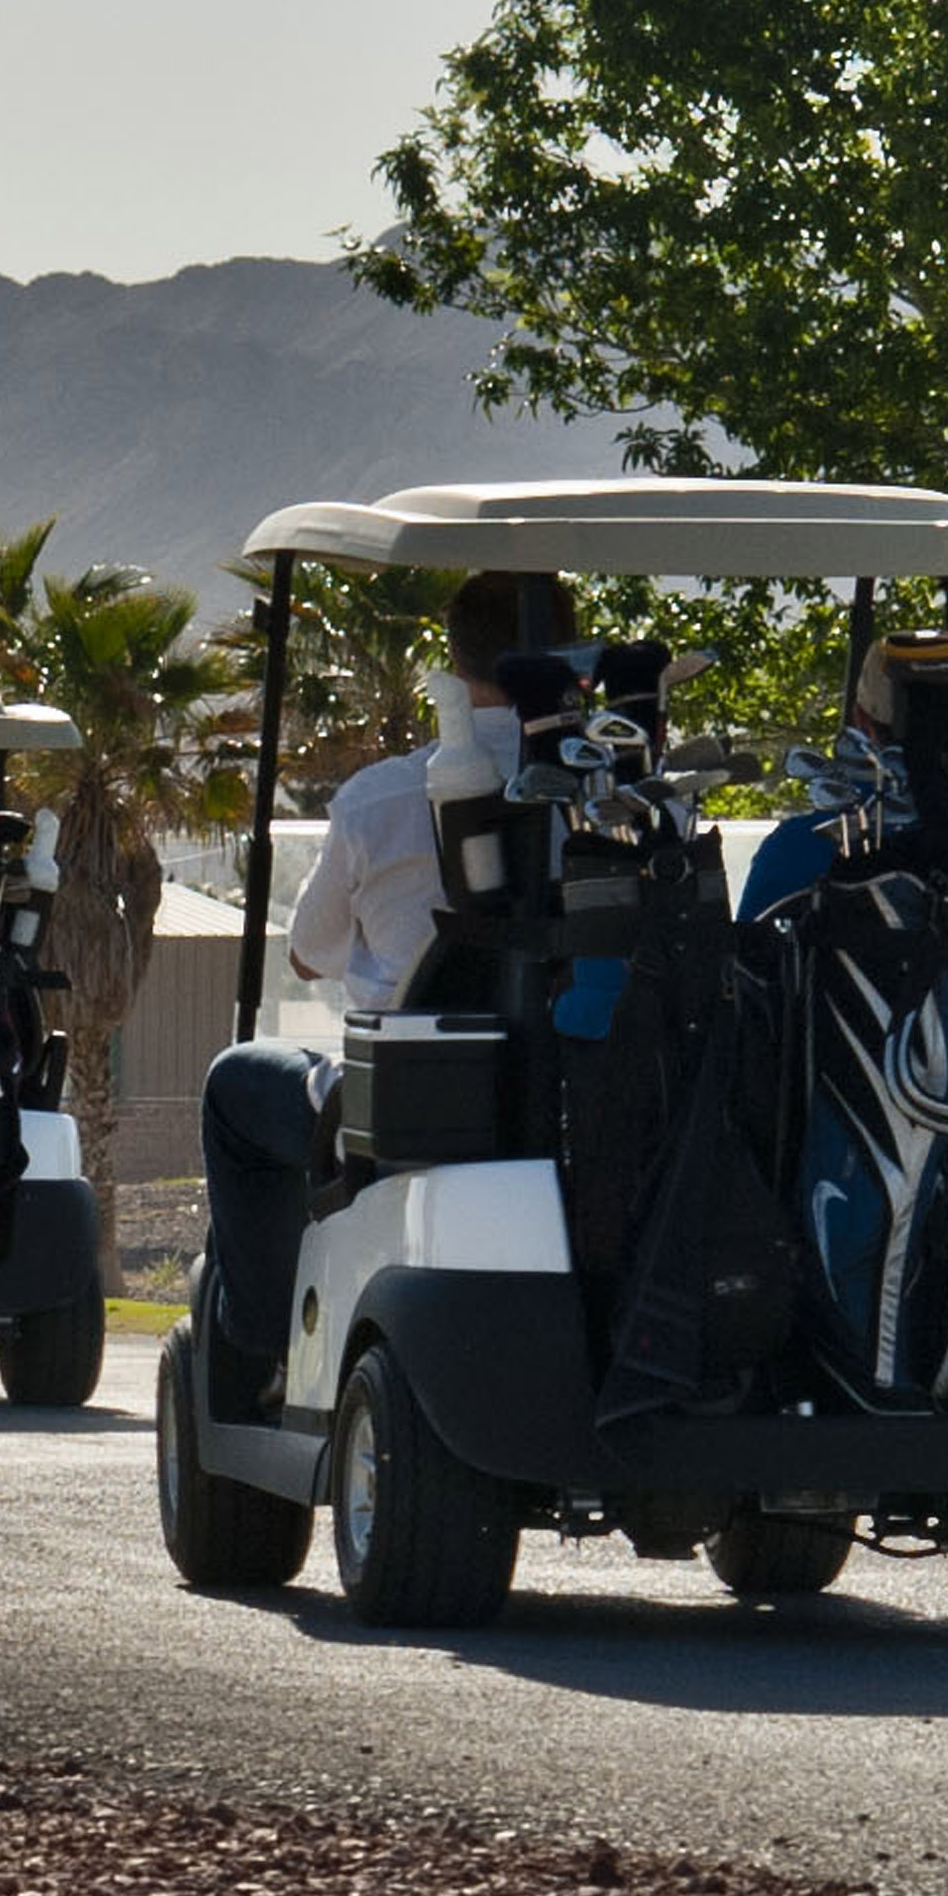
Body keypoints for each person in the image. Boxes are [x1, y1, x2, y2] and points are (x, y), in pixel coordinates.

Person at [198, 570, 569, 1400]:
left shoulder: (380, 797)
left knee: (234, 1087)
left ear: (455, 658)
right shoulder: (617, 796)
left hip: (407, 1101)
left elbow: (309, 954)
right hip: (576, 1085)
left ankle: (260, 1345)